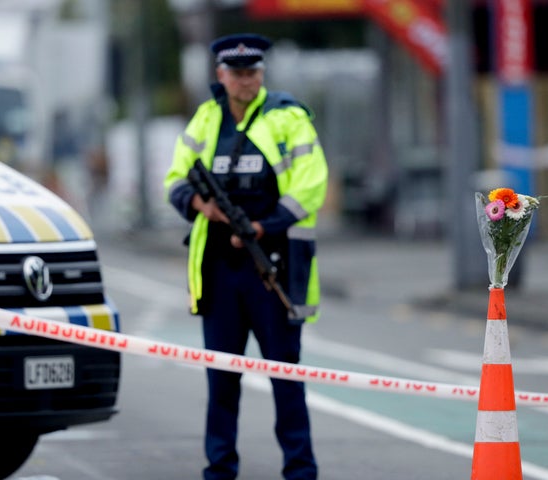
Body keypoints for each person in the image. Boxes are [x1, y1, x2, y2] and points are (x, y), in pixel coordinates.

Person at [164, 33, 328, 480]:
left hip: (271, 264)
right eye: (236, 74)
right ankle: (219, 468)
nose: (245, 81)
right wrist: (202, 205)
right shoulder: (206, 118)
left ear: (262, 74)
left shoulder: (287, 118)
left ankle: (300, 469)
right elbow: (176, 178)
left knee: (284, 376)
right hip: (218, 270)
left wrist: (263, 225)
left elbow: (311, 183)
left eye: (252, 72)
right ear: (221, 75)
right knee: (221, 378)